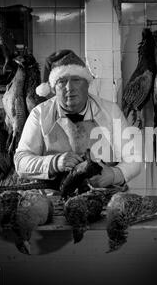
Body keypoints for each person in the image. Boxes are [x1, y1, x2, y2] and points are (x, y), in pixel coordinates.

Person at [14, 50, 141, 188]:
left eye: (76, 80)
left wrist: (115, 175)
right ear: (54, 88)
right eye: (62, 81)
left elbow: (134, 158)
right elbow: (21, 162)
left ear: (87, 83)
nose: (70, 88)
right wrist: (54, 163)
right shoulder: (39, 114)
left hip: (104, 195)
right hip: (56, 198)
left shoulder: (110, 111)